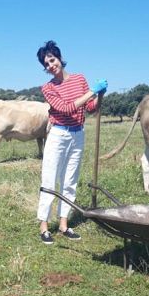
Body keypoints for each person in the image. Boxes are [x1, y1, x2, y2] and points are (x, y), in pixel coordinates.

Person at [36, 40, 107, 244]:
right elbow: (66, 109)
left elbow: (91, 108)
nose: (50, 65)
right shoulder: (48, 88)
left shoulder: (79, 79)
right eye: (46, 64)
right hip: (59, 134)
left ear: (59, 58)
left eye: (52, 60)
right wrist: (92, 92)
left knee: (70, 179)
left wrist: (100, 94)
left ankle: (63, 224)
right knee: (49, 178)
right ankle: (43, 226)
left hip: (78, 134)